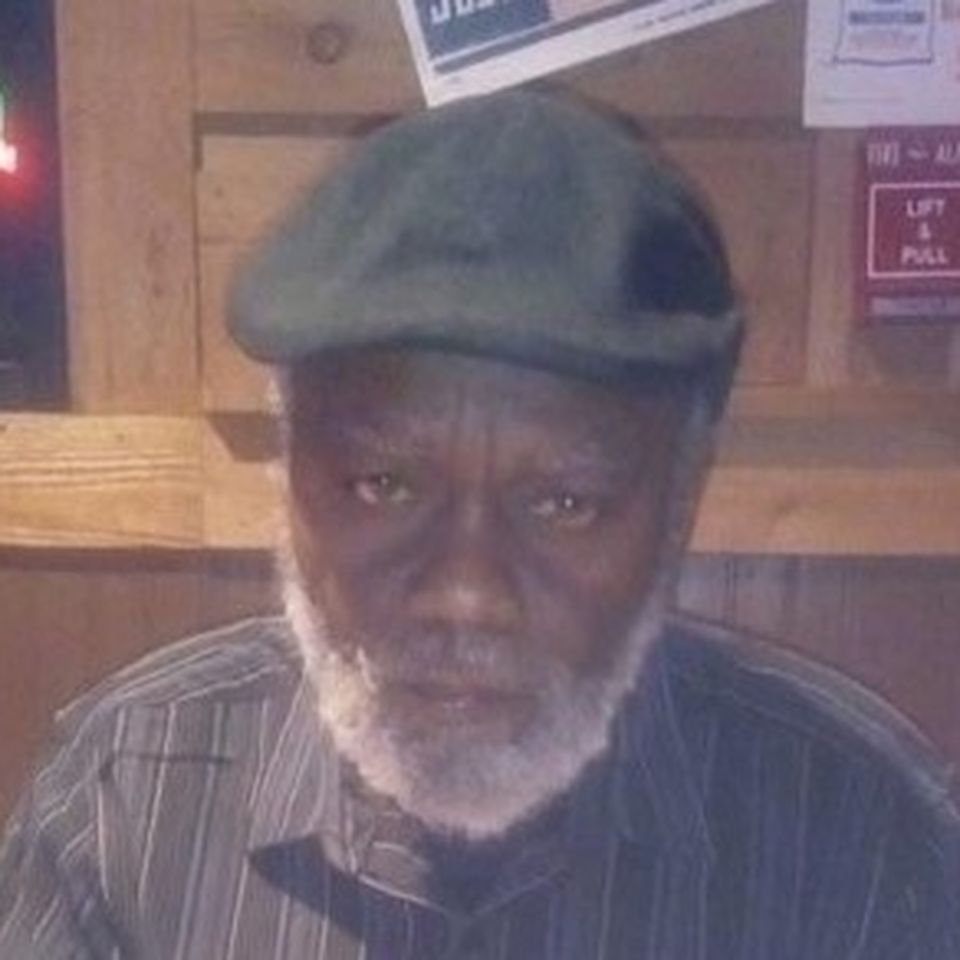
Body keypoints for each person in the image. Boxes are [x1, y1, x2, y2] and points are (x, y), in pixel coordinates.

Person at [0, 91, 957, 959]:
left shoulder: (863, 838)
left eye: (564, 503)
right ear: (290, 478)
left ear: (680, 503)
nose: (467, 594)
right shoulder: (124, 802)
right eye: (384, 484)